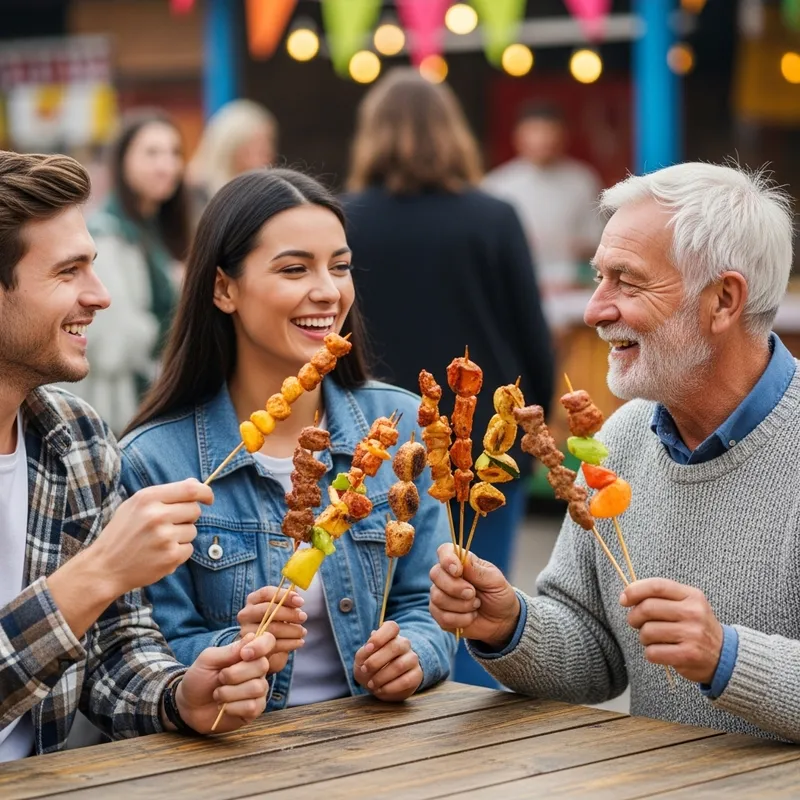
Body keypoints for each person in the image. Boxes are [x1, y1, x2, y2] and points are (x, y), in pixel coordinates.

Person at [429, 162, 800, 742]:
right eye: (600, 277)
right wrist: (510, 626)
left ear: (724, 299)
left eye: (627, 282)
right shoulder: (622, 438)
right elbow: (596, 652)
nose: (595, 310)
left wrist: (725, 656)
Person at [119, 167, 455, 711]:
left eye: (340, 267)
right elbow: (142, 649)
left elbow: (426, 602)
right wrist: (236, 650)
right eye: (295, 269)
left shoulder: (398, 426)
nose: (327, 291)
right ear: (224, 288)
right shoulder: (153, 462)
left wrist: (416, 653)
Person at [0, 150, 277, 761]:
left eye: (93, 267)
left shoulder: (75, 439)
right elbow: (85, 600)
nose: (100, 296)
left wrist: (181, 696)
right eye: (68, 271)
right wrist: (98, 571)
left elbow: (109, 649)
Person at [341, 68, 554, 688]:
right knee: (477, 598)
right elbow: (530, 330)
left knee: (387, 598)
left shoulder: (347, 220)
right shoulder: (493, 216)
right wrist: (534, 424)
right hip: (487, 436)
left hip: (374, 435)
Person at [66, 109, 190, 435]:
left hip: (153, 400)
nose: (166, 165)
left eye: (174, 153)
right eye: (152, 153)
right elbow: (112, 339)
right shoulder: (106, 234)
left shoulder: (159, 229)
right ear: (122, 161)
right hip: (119, 414)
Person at [483, 102, 603, 297]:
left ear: (563, 136)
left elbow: (596, 240)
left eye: (549, 132)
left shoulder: (582, 180)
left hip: (571, 287)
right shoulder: (498, 185)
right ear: (518, 136)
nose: (542, 140)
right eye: (535, 132)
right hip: (517, 286)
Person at [187, 99, 278, 212]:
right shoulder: (194, 190)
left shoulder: (264, 194)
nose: (268, 152)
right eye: (257, 145)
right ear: (232, 146)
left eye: (269, 142)